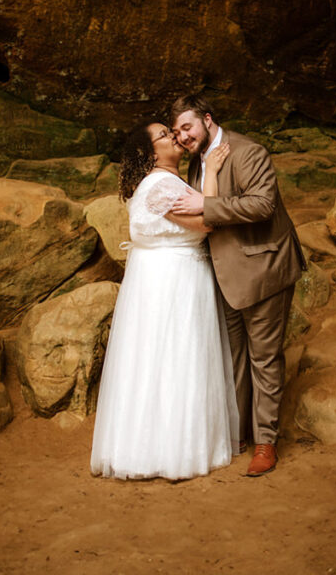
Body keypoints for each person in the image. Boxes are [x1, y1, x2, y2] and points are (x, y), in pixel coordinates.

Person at [90, 121, 239, 480]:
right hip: (172, 281)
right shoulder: (160, 185)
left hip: (167, 277)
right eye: (163, 135)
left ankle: (159, 444)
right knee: (176, 357)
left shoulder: (166, 182)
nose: (173, 137)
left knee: (159, 359)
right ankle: (172, 452)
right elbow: (206, 222)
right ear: (150, 153)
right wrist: (214, 171)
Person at [169, 94, 304, 476]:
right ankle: (238, 433)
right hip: (222, 277)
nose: (182, 136)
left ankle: (266, 443)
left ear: (207, 119)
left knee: (264, 358)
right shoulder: (197, 164)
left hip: (263, 270)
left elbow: (263, 204)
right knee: (233, 359)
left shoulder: (248, 151)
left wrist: (205, 207)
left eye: (188, 127)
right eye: (177, 131)